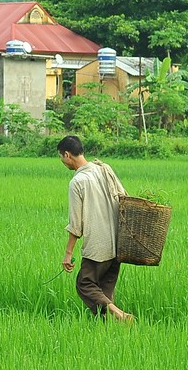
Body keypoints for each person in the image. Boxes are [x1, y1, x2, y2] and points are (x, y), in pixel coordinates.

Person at [58, 135, 135, 322]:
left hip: (98, 246)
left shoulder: (77, 182)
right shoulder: (104, 169)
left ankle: (119, 315)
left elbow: (76, 224)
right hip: (118, 243)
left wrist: (68, 253)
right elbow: (124, 197)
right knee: (105, 291)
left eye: (61, 157)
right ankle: (108, 330)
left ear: (67, 154)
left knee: (84, 284)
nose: (61, 161)